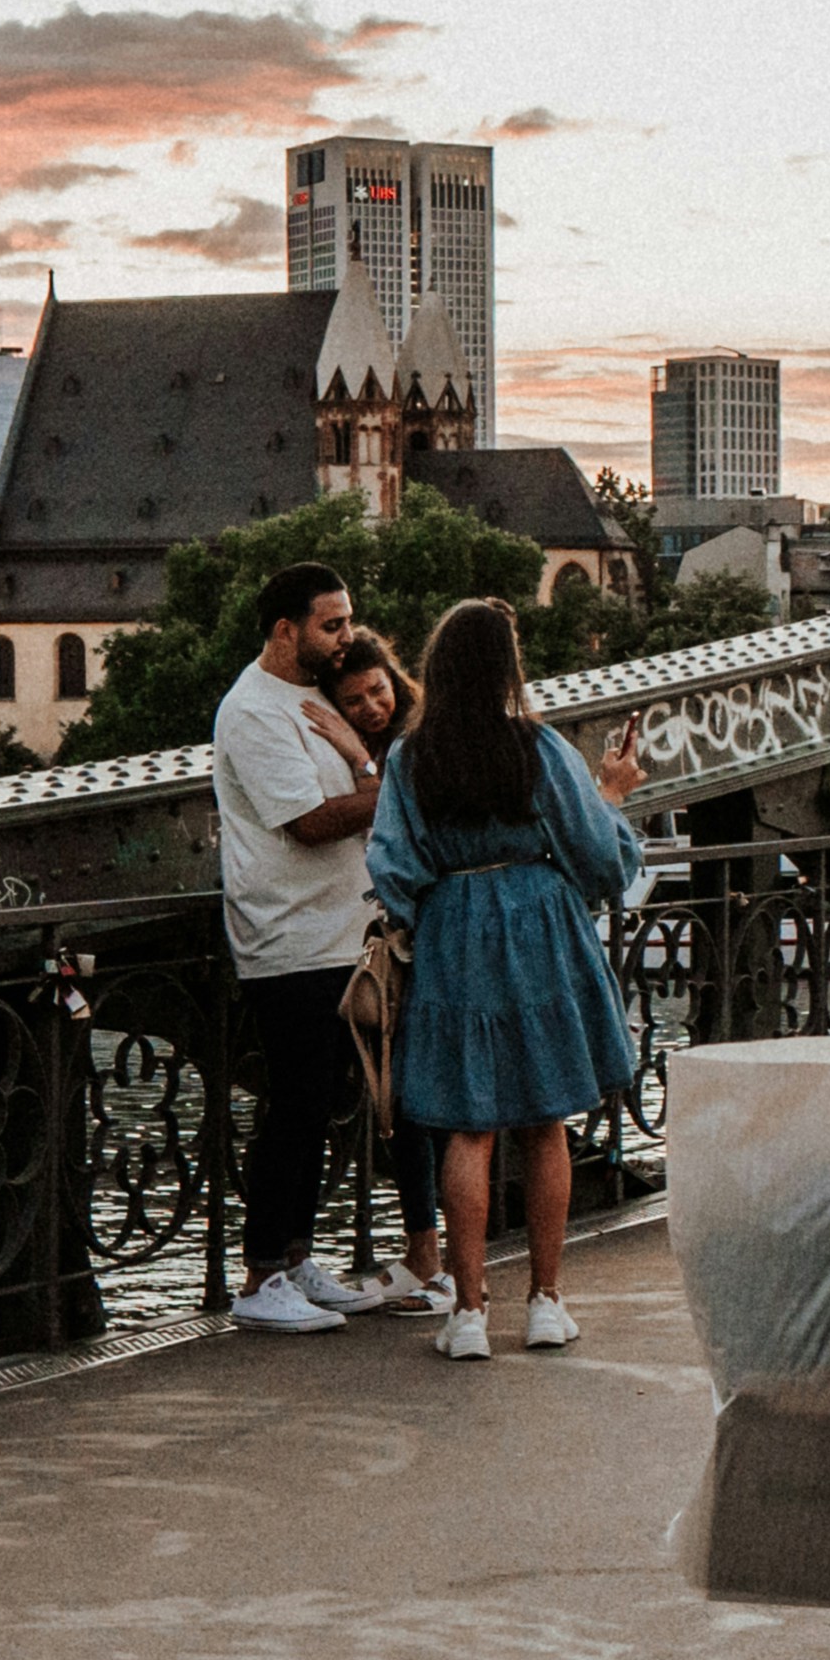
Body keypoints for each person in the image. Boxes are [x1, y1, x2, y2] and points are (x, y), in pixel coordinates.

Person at [363, 599, 648, 1359]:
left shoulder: (410, 757)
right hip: (540, 923)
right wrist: (614, 794)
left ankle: (466, 1313)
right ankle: (546, 1301)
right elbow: (597, 855)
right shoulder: (539, 746)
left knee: (468, 1123)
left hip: (455, 929)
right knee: (545, 1119)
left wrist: (446, 903)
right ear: (506, 666)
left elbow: (392, 866)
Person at [209, 561, 382, 1334]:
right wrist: (398, 788)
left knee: (319, 1105)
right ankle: (259, 1275)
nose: (347, 636)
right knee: (294, 1104)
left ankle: (296, 1255)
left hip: (338, 930)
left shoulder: (312, 694)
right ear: (286, 630)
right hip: (286, 937)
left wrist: (367, 764)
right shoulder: (251, 710)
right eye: (332, 624)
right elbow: (309, 821)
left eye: (347, 620)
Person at [318, 628, 446, 1312]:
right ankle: (432, 1257)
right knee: (409, 1098)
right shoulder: (406, 742)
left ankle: (429, 1257)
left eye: (378, 690)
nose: (371, 705)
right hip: (400, 937)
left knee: (409, 1097)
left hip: (416, 940)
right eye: (355, 700)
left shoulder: (406, 748)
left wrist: (356, 760)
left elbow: (398, 820)